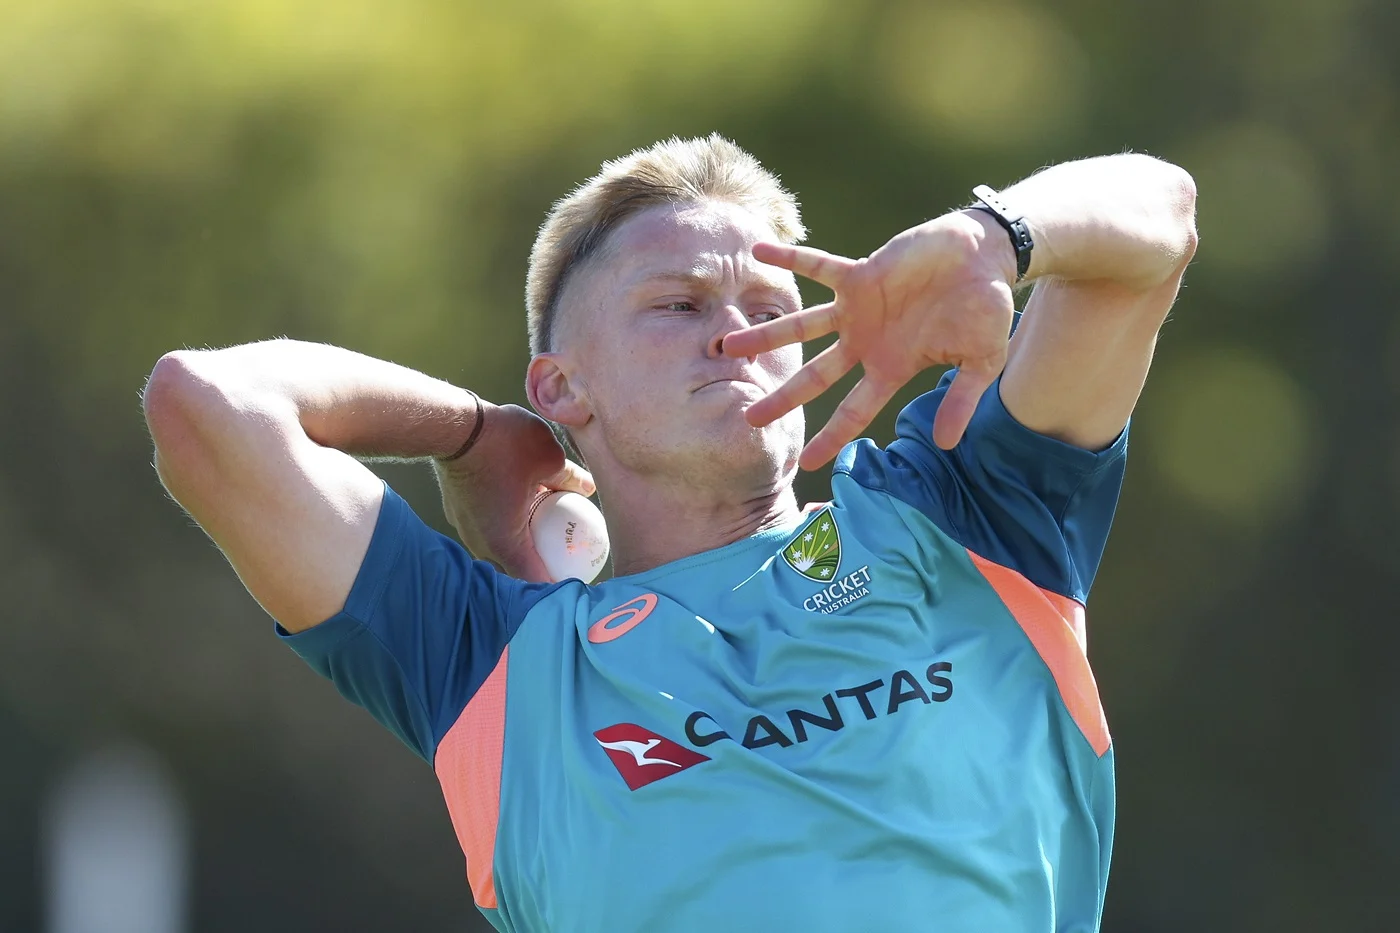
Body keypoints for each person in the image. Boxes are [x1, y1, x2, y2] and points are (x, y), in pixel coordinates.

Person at [142, 134, 1197, 932]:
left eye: (768, 300)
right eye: (677, 304)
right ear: (565, 388)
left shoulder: (961, 516)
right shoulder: (491, 666)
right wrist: (469, 435)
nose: (738, 332)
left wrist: (993, 236)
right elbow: (207, 406)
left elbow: (1155, 222)